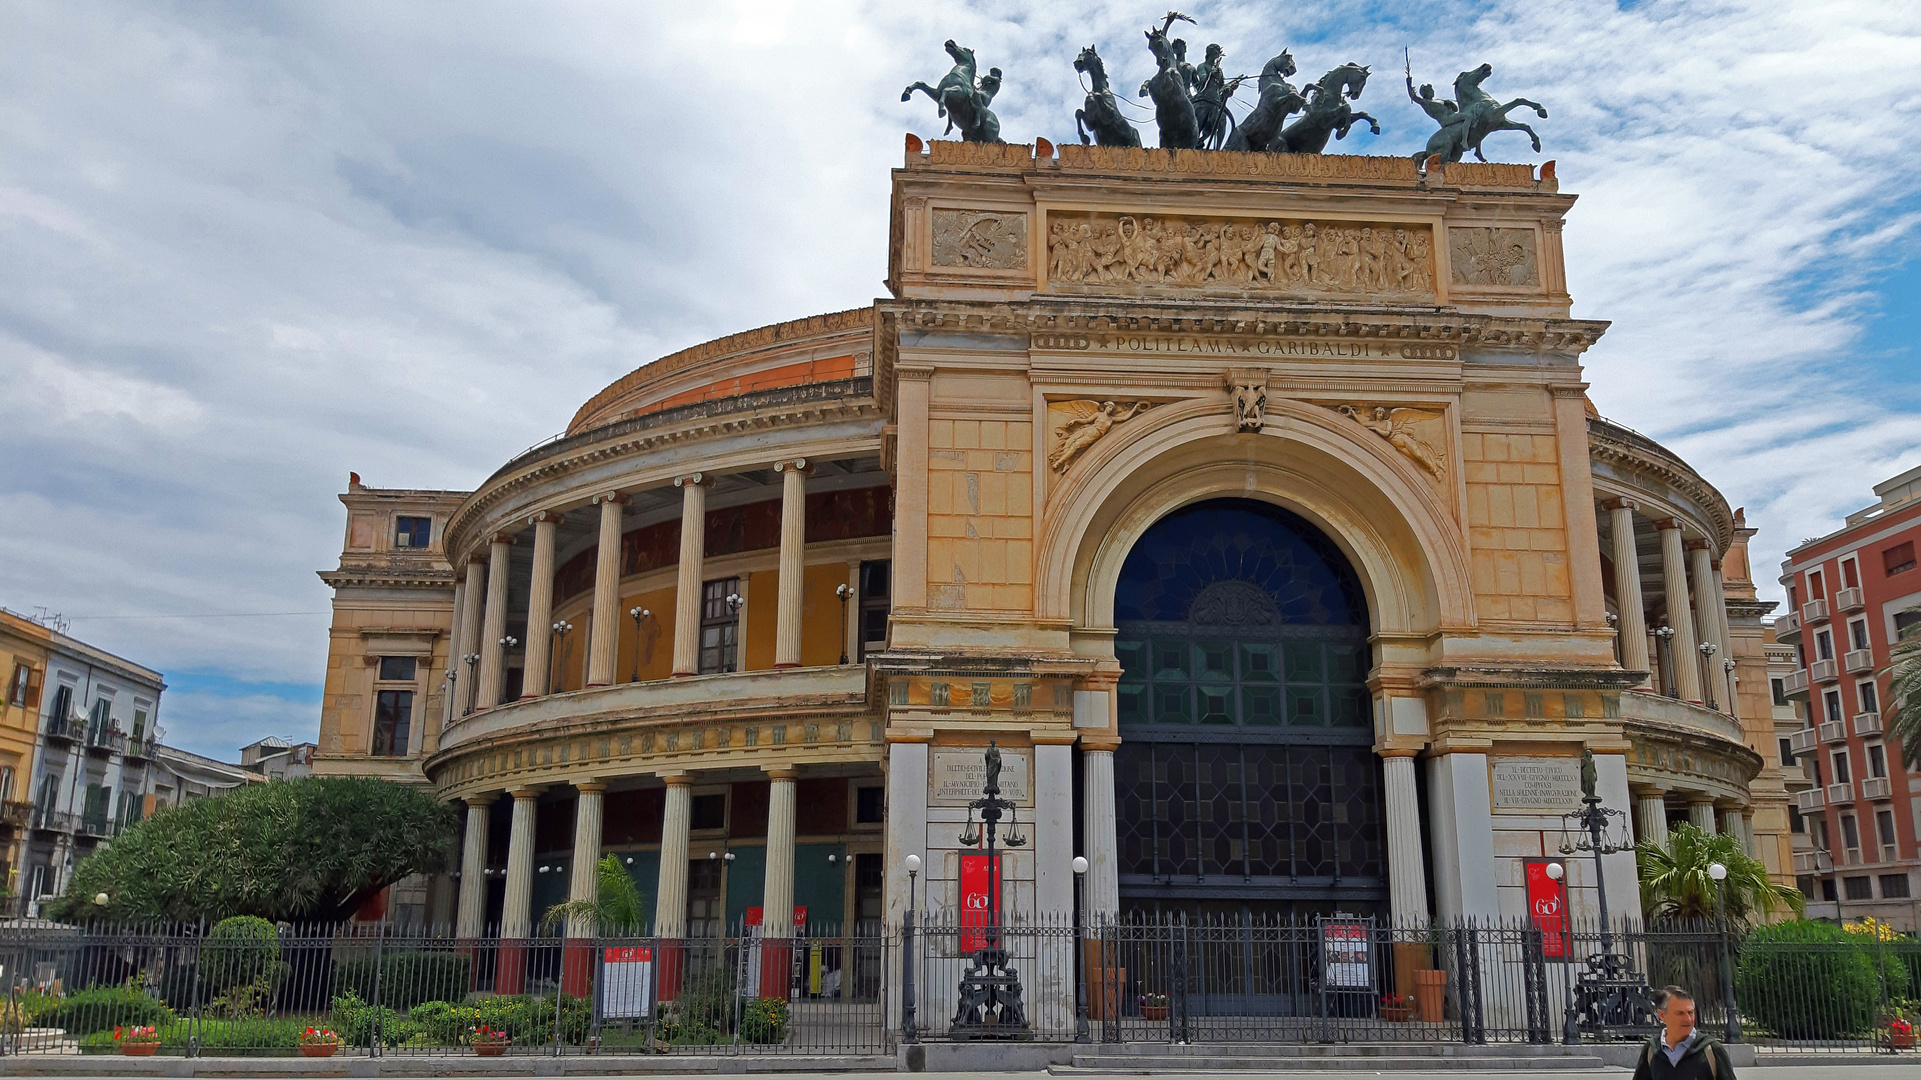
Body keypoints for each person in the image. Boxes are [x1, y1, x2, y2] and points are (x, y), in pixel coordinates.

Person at [1632, 986, 1735, 1080]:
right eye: (1680, 1013)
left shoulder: (1711, 1050)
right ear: (1662, 1015)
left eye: (1690, 1012)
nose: (1688, 1019)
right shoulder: (1651, 1050)